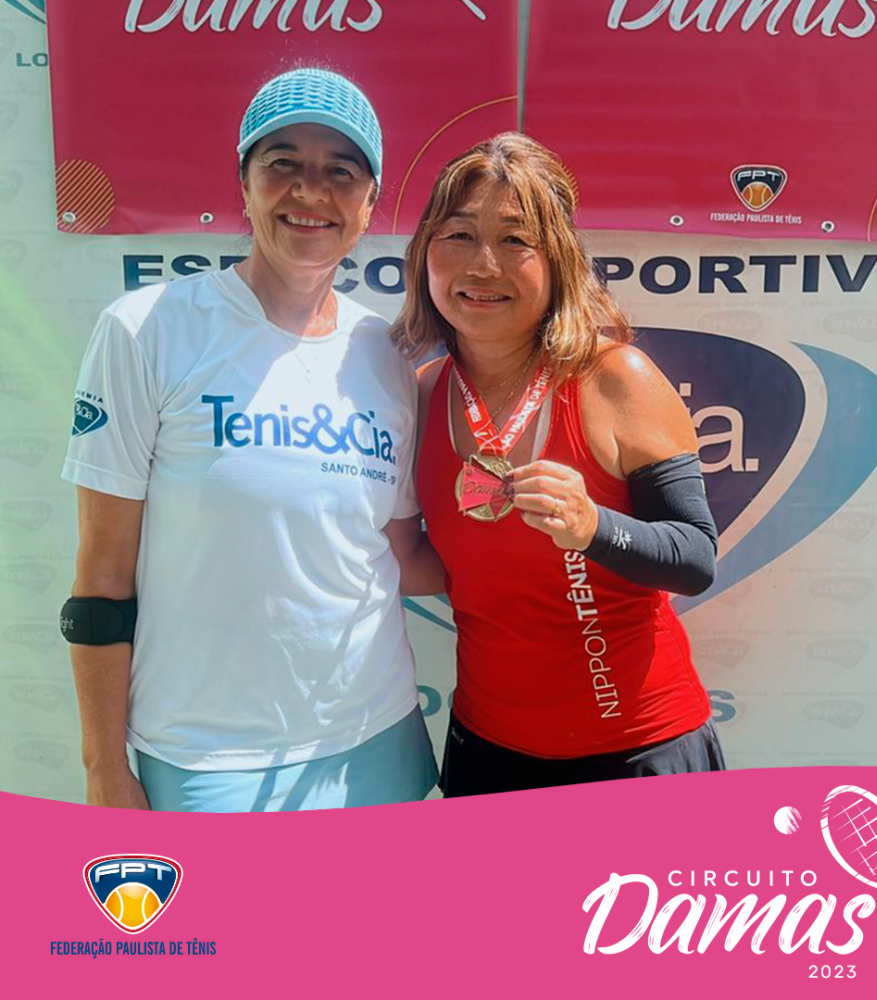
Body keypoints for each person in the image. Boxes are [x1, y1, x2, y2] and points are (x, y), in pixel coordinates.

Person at [60, 68, 442, 812]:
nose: (310, 191)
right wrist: (104, 767)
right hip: (207, 758)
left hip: (378, 738)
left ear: (370, 203)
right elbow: (102, 578)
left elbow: (402, 557)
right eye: (283, 163)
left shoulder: (387, 356)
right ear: (244, 184)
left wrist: (552, 562)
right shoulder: (146, 331)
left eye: (341, 171)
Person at [392, 133, 724, 796]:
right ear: (425, 251)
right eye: (459, 235)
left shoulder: (615, 377)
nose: (483, 265)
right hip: (488, 748)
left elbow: (695, 559)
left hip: (636, 749)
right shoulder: (421, 394)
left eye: (515, 240)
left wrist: (592, 527)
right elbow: (441, 565)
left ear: (559, 260)